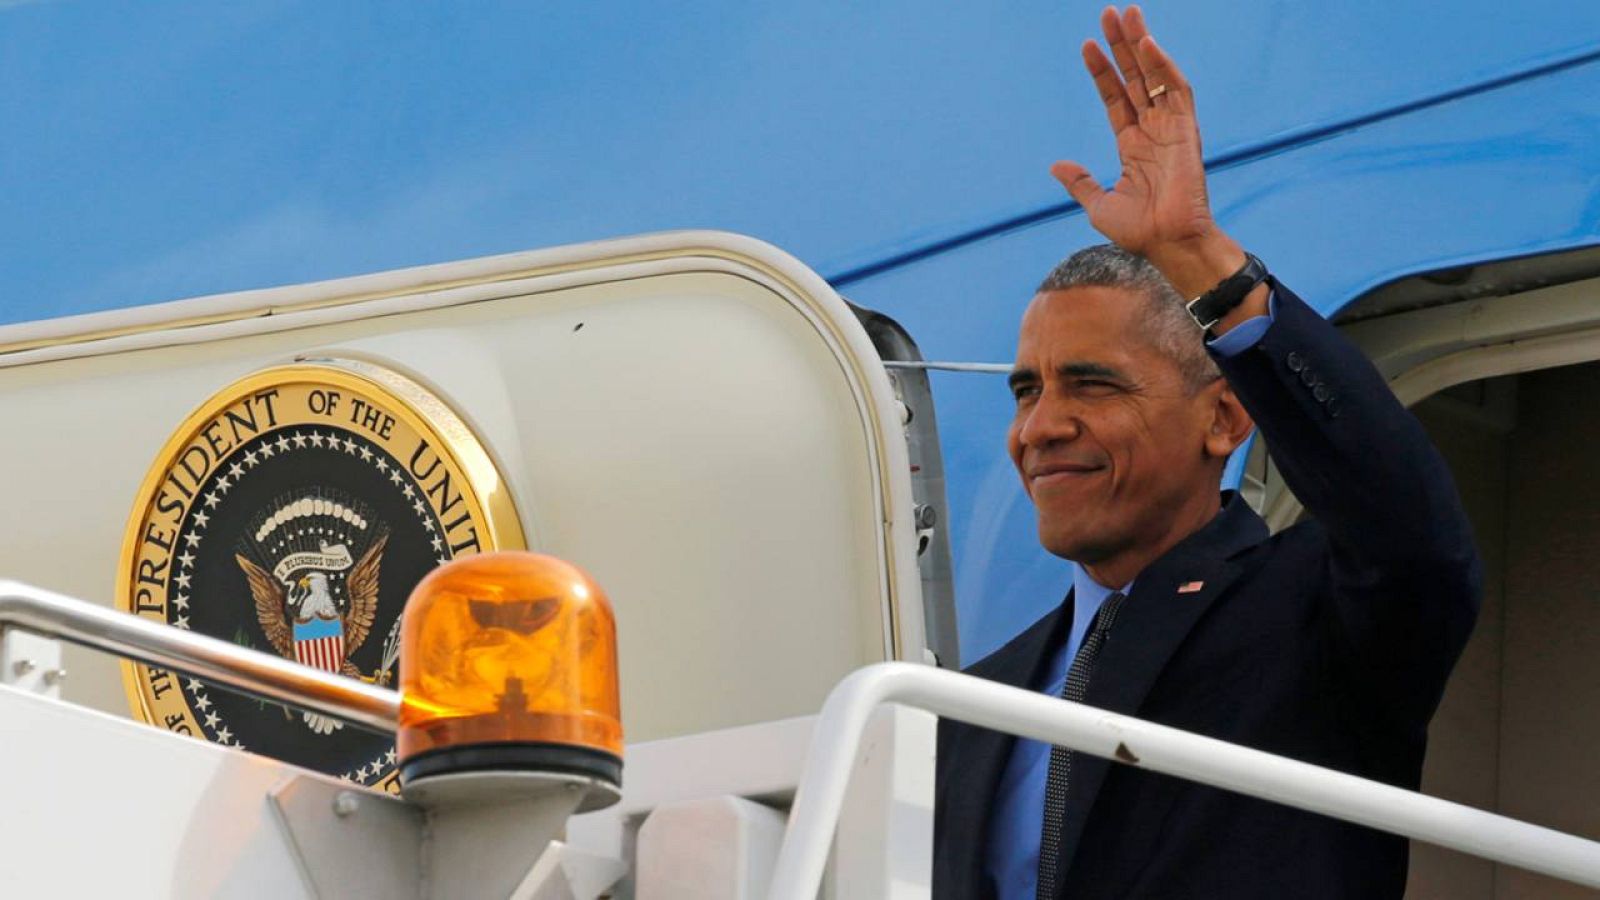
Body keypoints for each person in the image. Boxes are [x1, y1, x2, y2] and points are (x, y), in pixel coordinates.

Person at [932, 6, 1482, 899]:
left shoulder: (1319, 616)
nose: (1040, 428)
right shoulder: (974, 701)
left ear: (1224, 421)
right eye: (1027, 390)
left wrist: (1195, 256)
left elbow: (1412, 527)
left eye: (1093, 384)